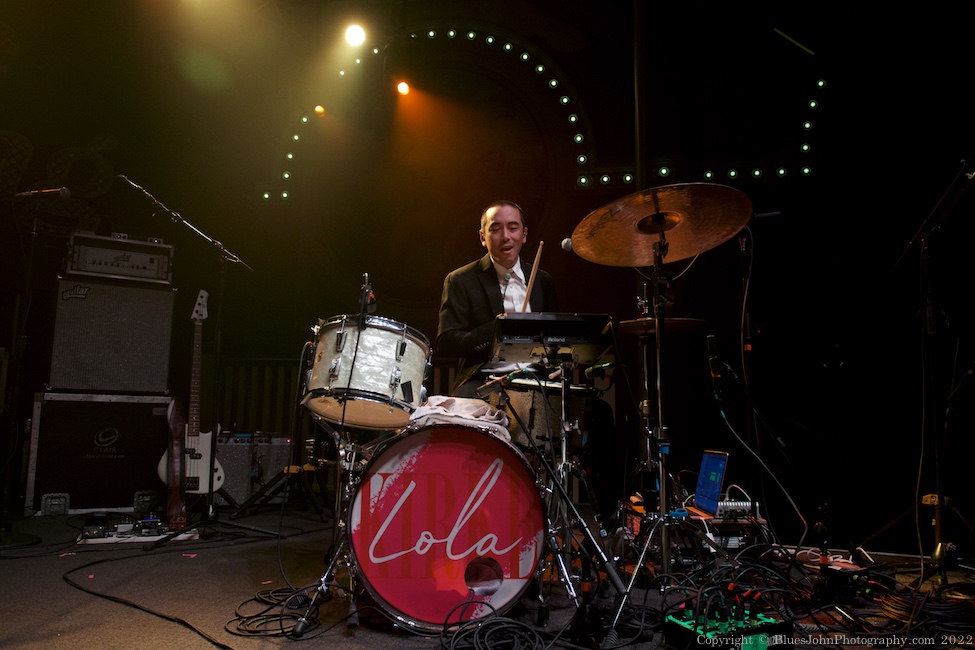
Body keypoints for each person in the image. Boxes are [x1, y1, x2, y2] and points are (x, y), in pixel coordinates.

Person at [436, 200, 558, 397]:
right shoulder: (460, 280)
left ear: (524, 235)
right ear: (483, 237)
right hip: (484, 377)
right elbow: (446, 342)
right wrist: (497, 328)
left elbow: (556, 337)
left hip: (537, 376)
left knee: (594, 408)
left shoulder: (542, 280)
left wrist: (556, 361)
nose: (505, 237)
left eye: (513, 228)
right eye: (495, 229)